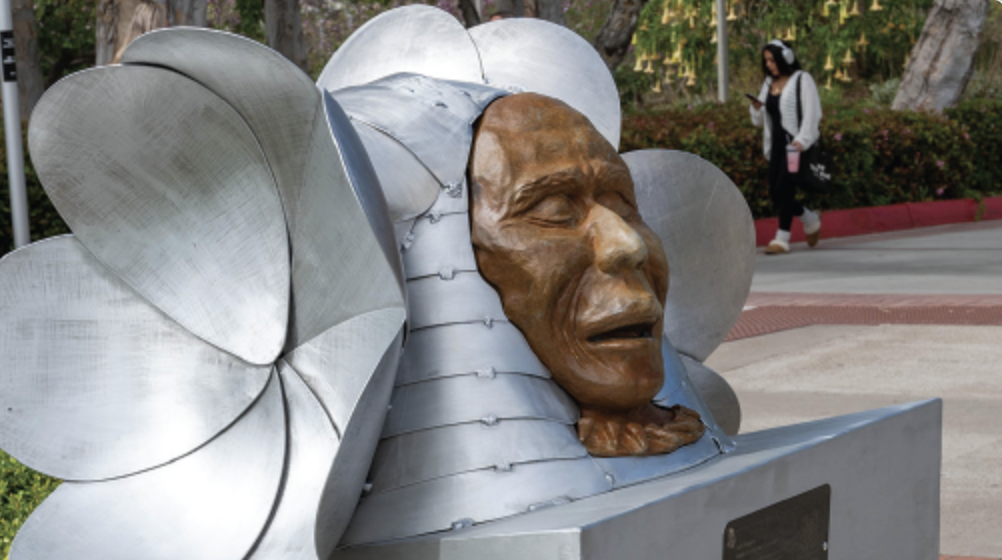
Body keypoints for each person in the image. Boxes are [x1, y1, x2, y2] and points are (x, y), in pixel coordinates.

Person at [749, 39, 823, 254]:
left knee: (785, 188)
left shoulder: (802, 79)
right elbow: (759, 120)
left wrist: (802, 140)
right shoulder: (767, 83)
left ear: (786, 57)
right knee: (775, 191)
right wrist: (756, 108)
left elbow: (812, 113)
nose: (769, 64)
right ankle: (810, 219)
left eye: (772, 60)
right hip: (775, 146)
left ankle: (782, 239)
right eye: (766, 61)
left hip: (795, 146)